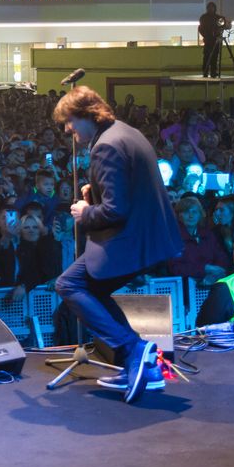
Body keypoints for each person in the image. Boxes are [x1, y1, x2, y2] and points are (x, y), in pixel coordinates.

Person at [53, 87, 183, 403]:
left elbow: (115, 210)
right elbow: (127, 192)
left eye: (69, 121)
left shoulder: (106, 147)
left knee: (69, 285)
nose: (68, 130)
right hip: (150, 238)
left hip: (129, 242)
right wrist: (93, 192)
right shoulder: (125, 133)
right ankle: (142, 365)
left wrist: (85, 212)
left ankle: (133, 349)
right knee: (93, 291)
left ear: (86, 114)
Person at [198, 1, 226, 78]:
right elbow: (200, 28)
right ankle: (205, 71)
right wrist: (206, 36)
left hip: (216, 41)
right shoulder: (204, 18)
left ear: (214, 8)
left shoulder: (218, 18)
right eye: (209, 8)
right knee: (206, 57)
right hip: (208, 41)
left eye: (212, 7)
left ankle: (213, 72)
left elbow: (222, 24)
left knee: (215, 57)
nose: (211, 9)